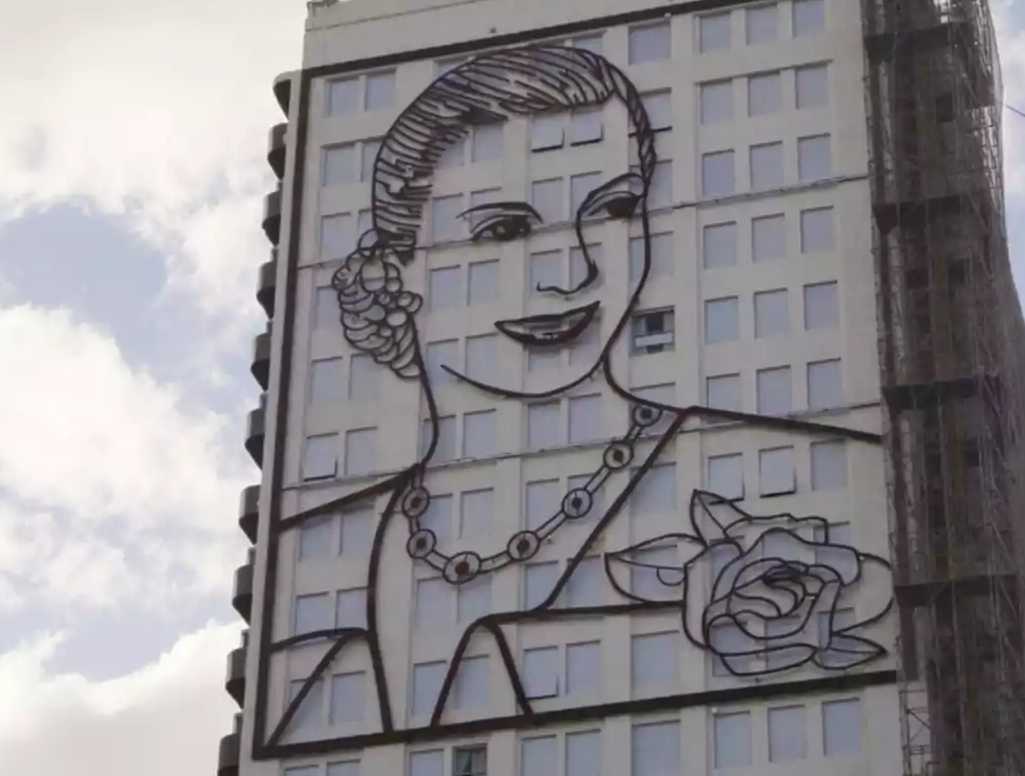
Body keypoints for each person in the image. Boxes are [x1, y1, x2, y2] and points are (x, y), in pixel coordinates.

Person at [268, 44, 885, 745]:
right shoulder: (310, 553)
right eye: (504, 229)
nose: (574, 269)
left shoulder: (811, 469)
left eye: (616, 208)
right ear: (395, 269)